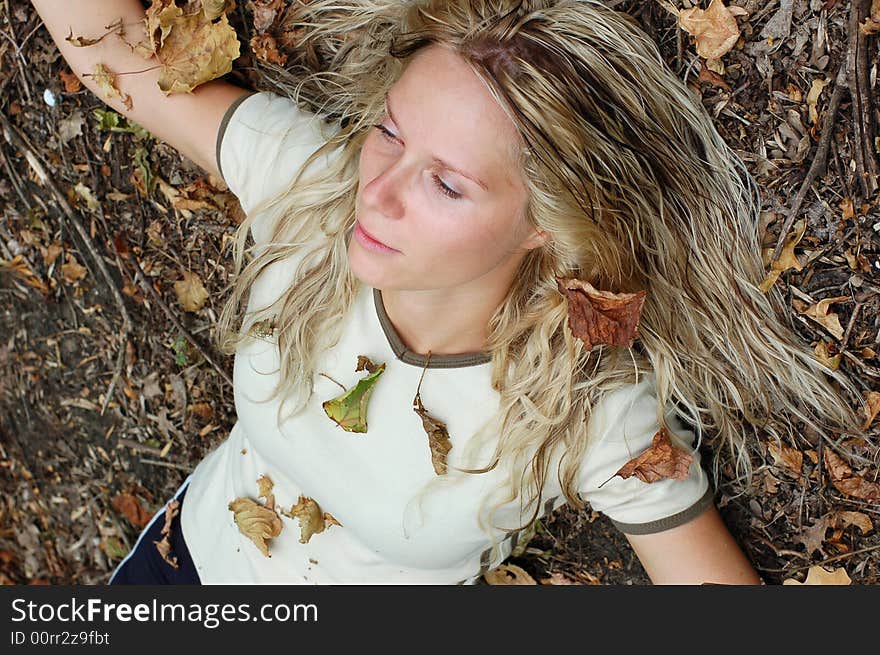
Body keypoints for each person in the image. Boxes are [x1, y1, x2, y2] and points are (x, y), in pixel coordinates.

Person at [31, 0, 867, 585]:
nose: (379, 193)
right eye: (390, 131)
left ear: (546, 223)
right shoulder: (314, 185)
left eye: (449, 185)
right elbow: (117, 58)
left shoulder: (583, 402)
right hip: (181, 569)